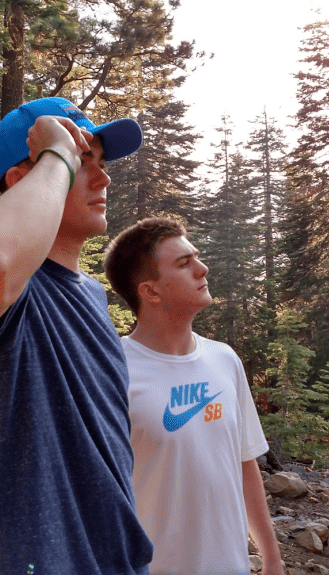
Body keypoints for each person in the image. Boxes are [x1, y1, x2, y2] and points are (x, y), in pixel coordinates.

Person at [0, 97, 153, 574]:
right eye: (82, 160)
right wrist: (58, 153)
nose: (103, 178)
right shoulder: (8, 292)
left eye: (101, 161)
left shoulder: (93, 295)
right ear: (21, 180)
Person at [103, 217, 284, 575]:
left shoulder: (224, 359)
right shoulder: (112, 370)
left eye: (196, 257)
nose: (202, 269)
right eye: (184, 264)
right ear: (150, 292)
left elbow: (244, 464)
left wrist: (271, 556)